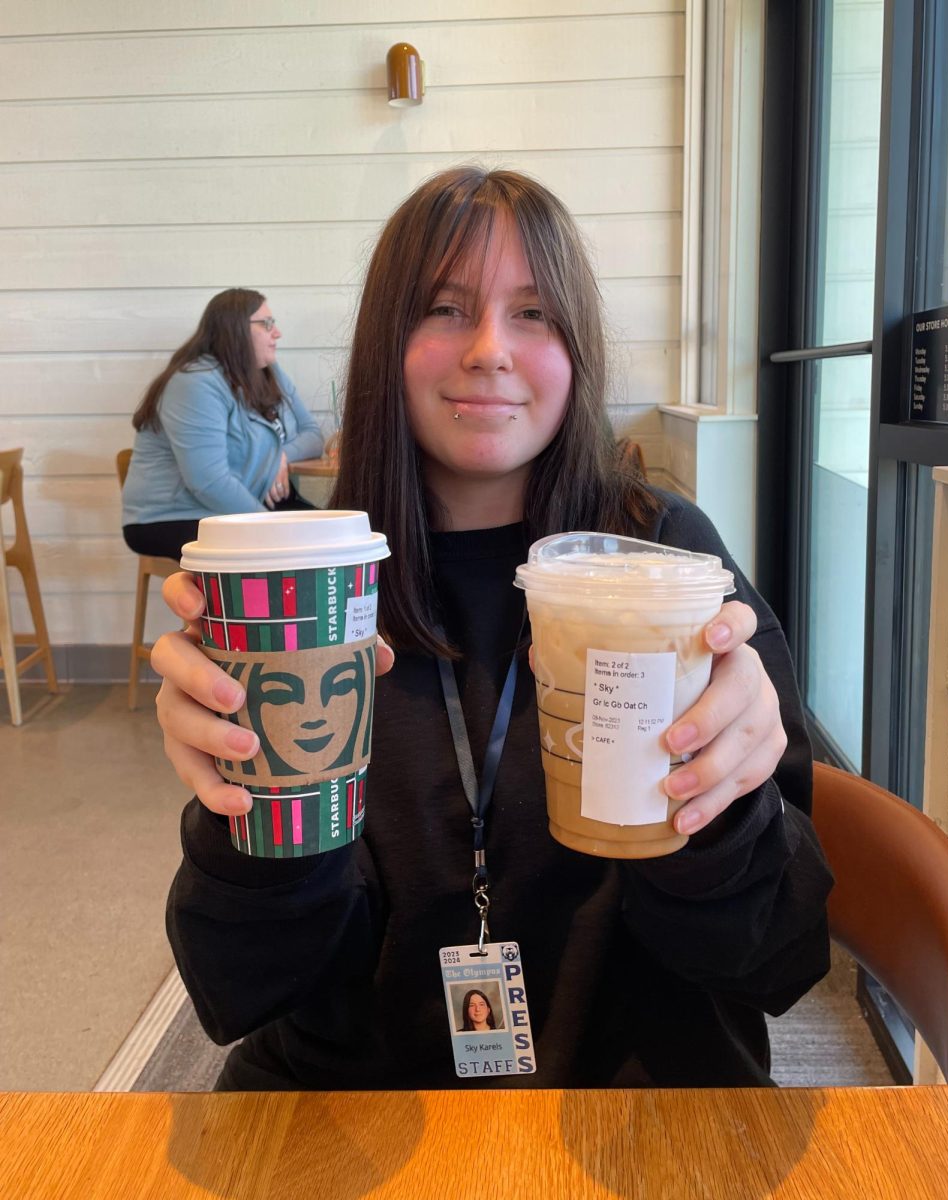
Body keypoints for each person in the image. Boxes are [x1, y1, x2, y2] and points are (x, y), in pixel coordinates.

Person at [153, 167, 833, 1091]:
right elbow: (245, 988)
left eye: (533, 313)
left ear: (575, 346)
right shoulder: (312, 589)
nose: (487, 350)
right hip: (367, 1108)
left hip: (634, 1107)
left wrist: (723, 807)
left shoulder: (664, 562)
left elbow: (777, 959)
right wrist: (247, 810)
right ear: (387, 339)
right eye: (442, 307)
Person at [121, 288, 324, 561]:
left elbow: (314, 436)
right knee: (293, 553)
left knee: (334, 538)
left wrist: (281, 456)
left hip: (238, 509)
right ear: (235, 329)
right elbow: (209, 482)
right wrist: (270, 528)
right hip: (178, 517)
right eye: (266, 324)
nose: (277, 333)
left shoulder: (269, 373)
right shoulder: (196, 383)